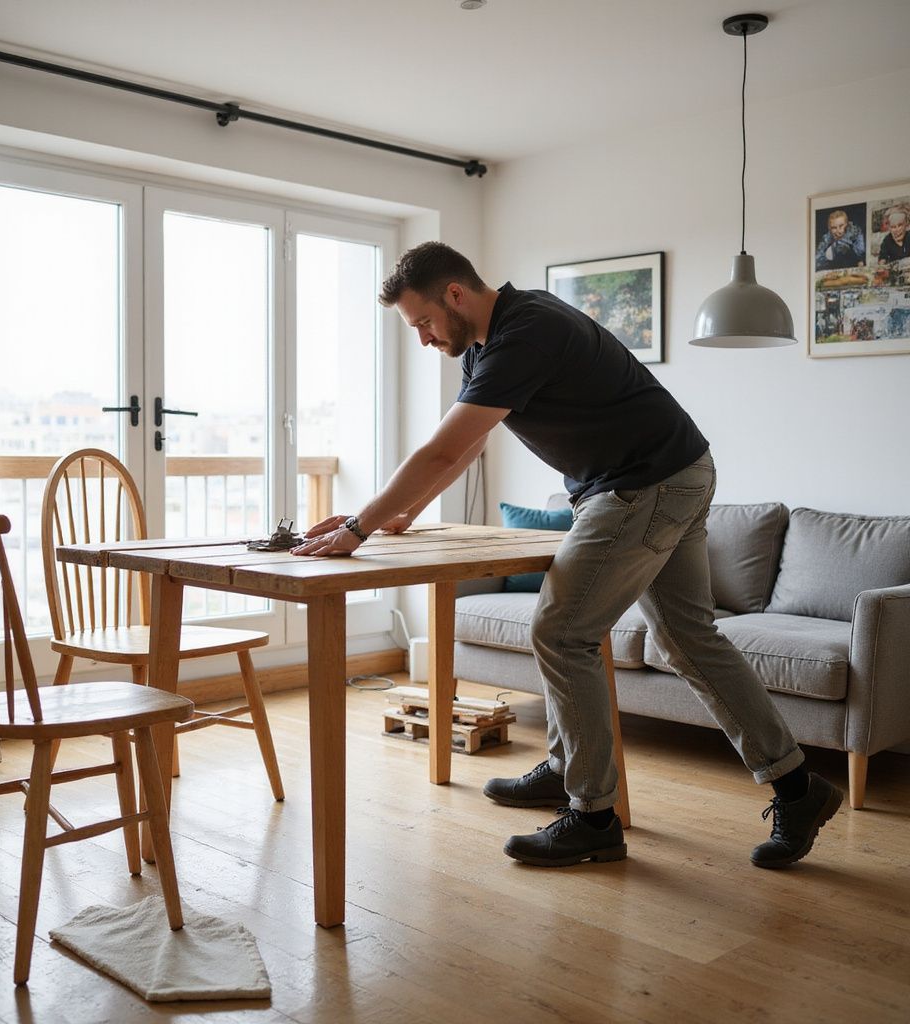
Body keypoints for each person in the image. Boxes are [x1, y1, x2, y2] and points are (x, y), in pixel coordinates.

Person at [292, 241, 842, 870]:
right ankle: (796, 787)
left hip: (644, 483)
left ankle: (592, 817)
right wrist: (405, 511)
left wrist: (357, 528)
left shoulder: (529, 332)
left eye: (422, 323)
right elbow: (464, 445)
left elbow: (443, 452)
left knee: (562, 631)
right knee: (689, 639)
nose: (422, 339)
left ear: (455, 294)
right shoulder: (486, 347)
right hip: (672, 472)